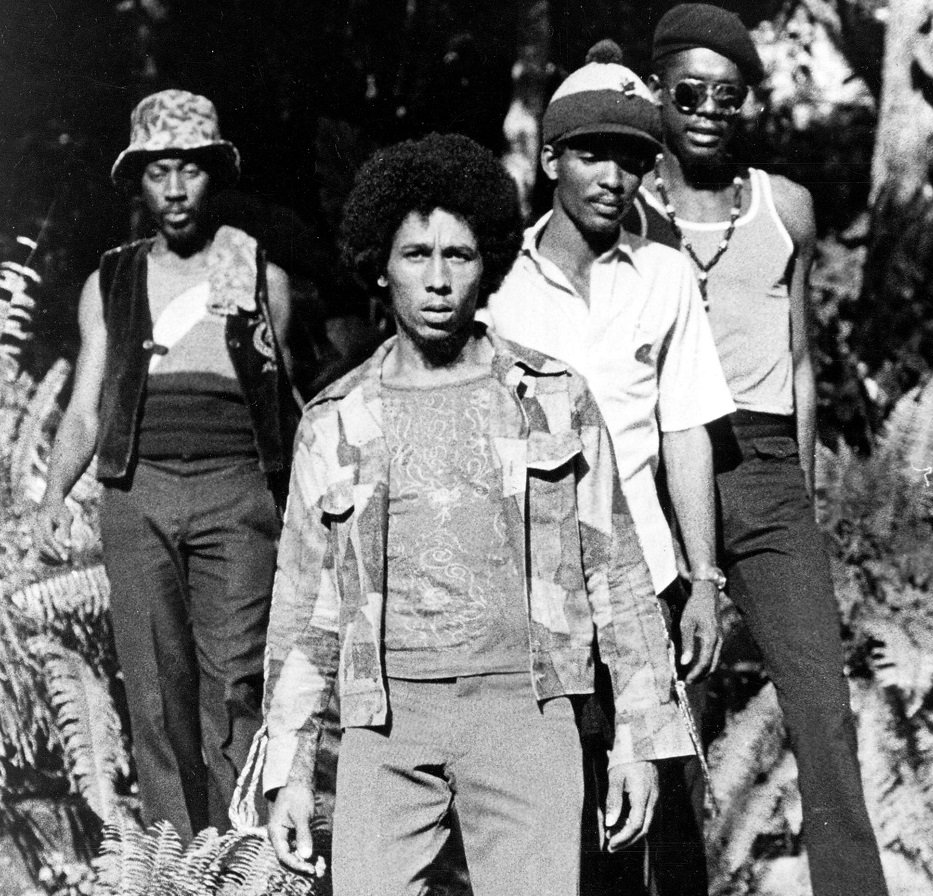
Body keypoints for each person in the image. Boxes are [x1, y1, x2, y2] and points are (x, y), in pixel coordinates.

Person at [258, 133, 695, 896]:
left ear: (486, 264)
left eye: (457, 256)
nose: (436, 281)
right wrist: (289, 771)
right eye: (415, 255)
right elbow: (303, 609)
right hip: (385, 722)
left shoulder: (553, 397)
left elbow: (618, 577)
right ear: (379, 266)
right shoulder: (336, 417)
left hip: (526, 712)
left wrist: (638, 741)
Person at [626, 6, 890, 895]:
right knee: (667, 713)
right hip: (665, 476)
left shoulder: (785, 208)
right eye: (689, 92)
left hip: (769, 466)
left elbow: (804, 361)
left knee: (823, 710)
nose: (707, 111)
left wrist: (802, 498)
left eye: (727, 96)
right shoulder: (626, 210)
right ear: (658, 95)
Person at [485, 40, 734, 894]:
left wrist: (702, 579)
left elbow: (687, 431)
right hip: (533, 596)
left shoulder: (664, 276)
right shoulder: (496, 285)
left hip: (647, 587)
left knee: (661, 827)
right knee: (563, 818)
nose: (612, 177)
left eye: (632, 158)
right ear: (551, 156)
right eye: (593, 152)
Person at [33, 89, 298, 840]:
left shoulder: (255, 273)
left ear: (215, 174)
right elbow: (86, 404)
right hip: (137, 492)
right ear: (137, 182)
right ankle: (177, 863)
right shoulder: (110, 282)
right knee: (152, 688)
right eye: (158, 173)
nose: (175, 190)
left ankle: (249, 858)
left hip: (234, 494)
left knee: (234, 683)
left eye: (190, 170)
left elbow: (276, 403)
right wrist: (55, 492)